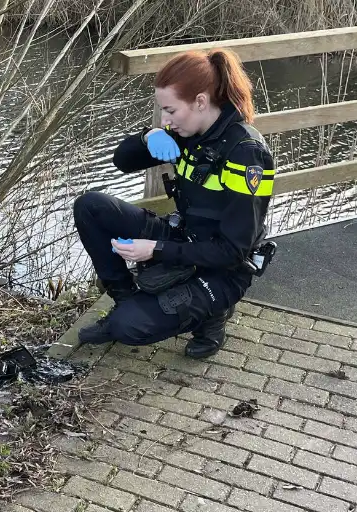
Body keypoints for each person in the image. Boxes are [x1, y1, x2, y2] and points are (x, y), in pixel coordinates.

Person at [72, 48, 276, 358]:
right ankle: (125, 300)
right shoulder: (186, 131)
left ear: (200, 102)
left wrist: (154, 250)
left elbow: (233, 251)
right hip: (184, 237)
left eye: (170, 111)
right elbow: (121, 161)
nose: (166, 119)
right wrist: (149, 136)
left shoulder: (246, 154)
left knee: (129, 328)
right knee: (90, 207)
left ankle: (213, 317)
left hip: (224, 269)